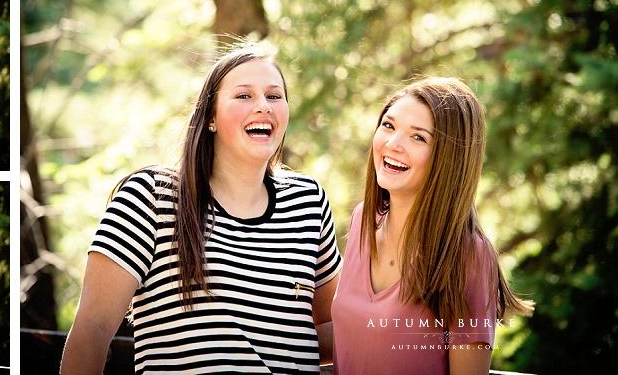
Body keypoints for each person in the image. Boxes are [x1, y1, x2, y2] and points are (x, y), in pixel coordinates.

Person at [61, 44, 343, 374]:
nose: (263, 106)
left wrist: (404, 323)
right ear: (210, 116)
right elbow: (92, 329)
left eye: (274, 96)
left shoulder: (308, 202)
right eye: (244, 96)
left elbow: (328, 329)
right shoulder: (151, 197)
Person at [331, 77, 534, 374]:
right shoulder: (363, 220)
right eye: (388, 126)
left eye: (418, 137)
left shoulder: (469, 257)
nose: (393, 144)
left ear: (448, 160)